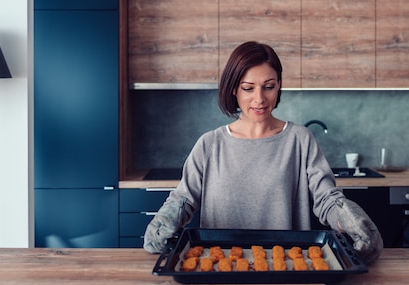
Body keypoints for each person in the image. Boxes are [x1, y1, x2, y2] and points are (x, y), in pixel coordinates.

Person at [143, 41, 383, 264]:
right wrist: (165, 222)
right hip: (222, 265)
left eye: (269, 87)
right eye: (248, 88)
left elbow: (326, 199)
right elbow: (183, 201)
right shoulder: (209, 144)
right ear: (234, 89)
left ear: (278, 86)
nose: (259, 99)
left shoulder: (300, 139)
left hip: (286, 265)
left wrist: (350, 220)